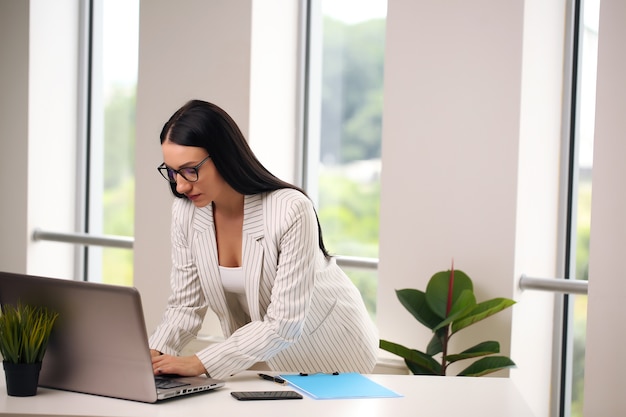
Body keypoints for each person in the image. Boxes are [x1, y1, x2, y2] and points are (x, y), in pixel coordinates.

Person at [149, 99, 379, 380]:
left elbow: (284, 324)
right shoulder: (186, 213)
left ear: (223, 156)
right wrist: (154, 353)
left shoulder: (290, 209)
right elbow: (185, 305)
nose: (181, 185)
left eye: (189, 170)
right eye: (172, 173)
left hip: (334, 349)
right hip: (262, 357)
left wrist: (199, 363)